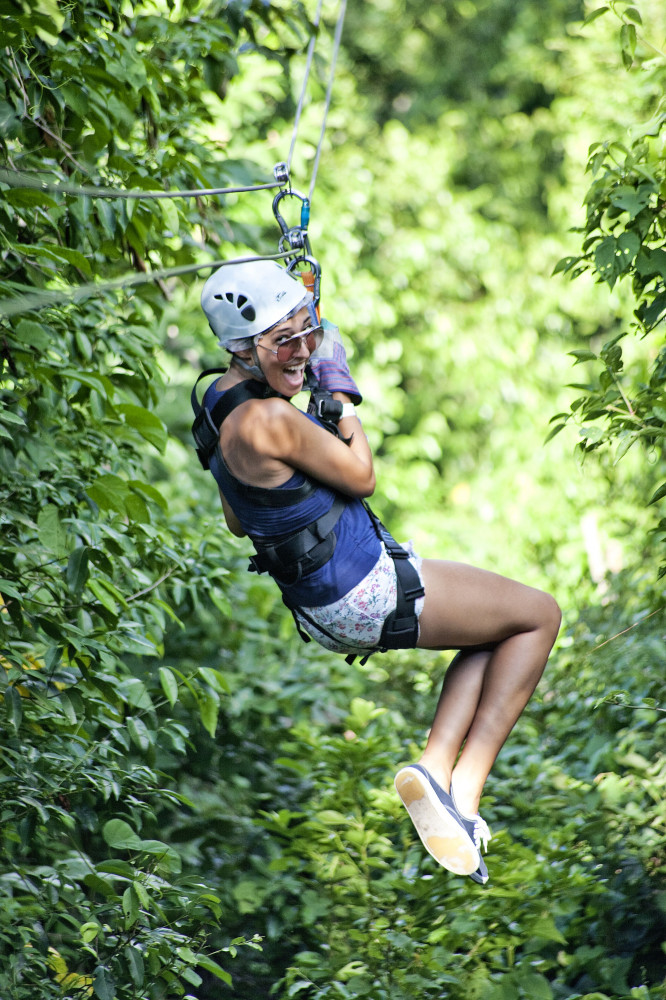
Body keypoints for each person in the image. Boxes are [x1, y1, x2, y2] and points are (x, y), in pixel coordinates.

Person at [193, 259, 561, 885]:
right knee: (539, 617)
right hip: (362, 586)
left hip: (323, 605)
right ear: (241, 348)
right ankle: (460, 785)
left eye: (307, 332)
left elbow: (236, 518)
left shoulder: (219, 406)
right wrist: (340, 400)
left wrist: (301, 356)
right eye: (284, 342)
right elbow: (361, 475)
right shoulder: (273, 419)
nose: (303, 351)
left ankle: (442, 781)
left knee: (494, 631)